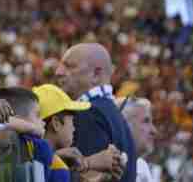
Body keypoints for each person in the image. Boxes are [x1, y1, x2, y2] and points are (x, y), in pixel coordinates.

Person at [55, 43, 134, 181]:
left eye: (69, 66)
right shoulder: (111, 112)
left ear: (96, 74)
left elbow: (86, 177)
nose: (58, 72)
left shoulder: (89, 112)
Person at [33, 84, 92, 180]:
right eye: (72, 121)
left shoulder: (28, 160)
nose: (74, 128)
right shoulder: (54, 169)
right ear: (56, 123)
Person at [121, 98, 158, 182]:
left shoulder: (142, 167)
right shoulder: (106, 168)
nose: (154, 131)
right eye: (146, 121)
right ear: (125, 126)